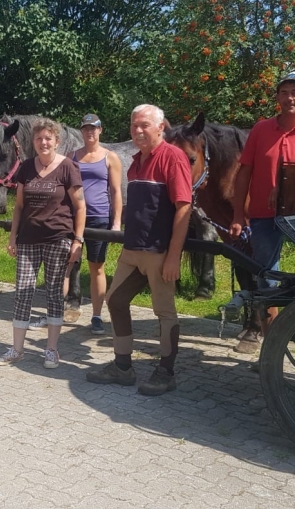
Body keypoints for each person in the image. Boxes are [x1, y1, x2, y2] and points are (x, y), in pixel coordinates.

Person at [84, 104, 191, 396]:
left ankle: (166, 372)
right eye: (134, 126)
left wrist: (173, 256)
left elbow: (184, 207)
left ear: (161, 128)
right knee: (116, 300)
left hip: (158, 252)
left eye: (144, 125)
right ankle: (122, 367)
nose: (138, 130)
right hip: (133, 249)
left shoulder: (173, 157)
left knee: (164, 312)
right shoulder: (136, 161)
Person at [228, 72, 295, 352]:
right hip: (263, 215)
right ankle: (271, 347)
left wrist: (287, 186)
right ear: (277, 97)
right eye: (284, 92)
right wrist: (238, 214)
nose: (290, 98)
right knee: (266, 277)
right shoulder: (261, 129)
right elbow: (244, 173)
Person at [0, 119, 85, 370]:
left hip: (58, 238)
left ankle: (51, 350)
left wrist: (77, 240)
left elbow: (80, 206)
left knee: (54, 294)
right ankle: (17, 349)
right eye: (39, 139)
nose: (43, 142)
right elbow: (19, 206)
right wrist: (13, 237)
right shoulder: (26, 167)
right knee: (23, 292)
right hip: (28, 239)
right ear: (33, 142)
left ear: (56, 141)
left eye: (48, 138)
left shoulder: (68, 167)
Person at [71, 113, 122, 335]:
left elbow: (116, 191)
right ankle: (57, 310)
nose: (89, 132)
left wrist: (116, 223)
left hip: (99, 218)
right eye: (85, 128)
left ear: (100, 130)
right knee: (68, 263)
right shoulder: (72, 156)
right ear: (81, 132)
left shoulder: (110, 157)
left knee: (96, 267)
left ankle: (97, 315)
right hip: (73, 218)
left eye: (93, 128)